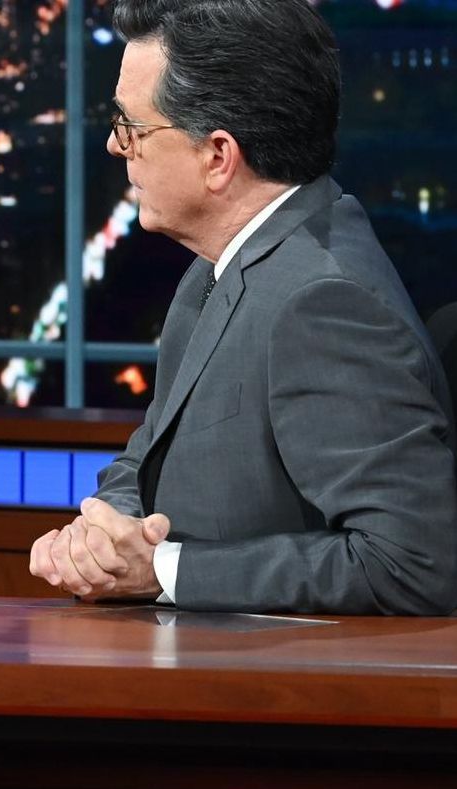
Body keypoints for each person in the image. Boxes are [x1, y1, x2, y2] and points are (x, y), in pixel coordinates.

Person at [28, 0, 457, 615]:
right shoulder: (217, 267)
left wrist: (161, 570)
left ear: (218, 157)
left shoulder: (323, 302)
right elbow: (149, 453)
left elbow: (412, 564)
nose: (115, 147)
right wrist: (103, 535)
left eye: (132, 128)